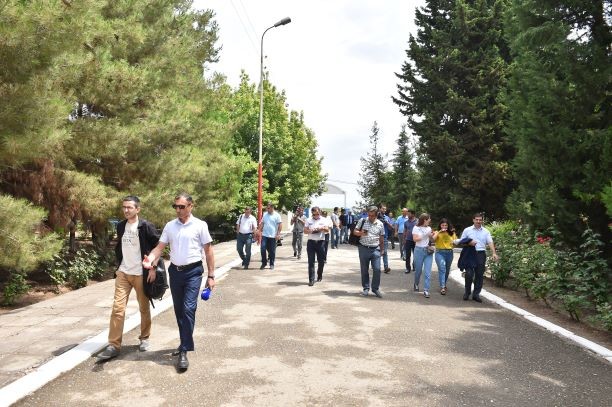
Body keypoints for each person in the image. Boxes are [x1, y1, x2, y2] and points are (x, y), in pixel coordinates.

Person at [142, 193, 215, 370]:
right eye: (175, 206)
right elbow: (160, 248)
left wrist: (211, 276)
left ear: (191, 206)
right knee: (179, 310)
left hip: (194, 272)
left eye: (182, 206)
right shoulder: (170, 226)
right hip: (175, 272)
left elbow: (208, 251)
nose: (178, 210)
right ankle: (184, 341)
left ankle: (184, 350)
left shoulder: (200, 225)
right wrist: (150, 259)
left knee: (189, 308)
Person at [98, 196, 160, 361]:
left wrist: (153, 267)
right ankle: (114, 345)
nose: (126, 210)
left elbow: (158, 246)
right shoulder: (120, 226)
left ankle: (145, 338)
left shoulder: (145, 226)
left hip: (141, 273)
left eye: (129, 207)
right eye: (124, 207)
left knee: (143, 308)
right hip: (123, 273)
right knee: (117, 308)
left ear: (137, 209)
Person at [454, 213, 498, 302]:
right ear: (473, 220)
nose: (478, 221)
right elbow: (462, 241)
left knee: (479, 275)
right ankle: (467, 292)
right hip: (469, 253)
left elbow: (490, 242)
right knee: (469, 274)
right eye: (476, 219)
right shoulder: (467, 230)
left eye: (480, 220)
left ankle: (476, 294)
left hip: (480, 254)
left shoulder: (486, 231)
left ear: (482, 221)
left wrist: (494, 253)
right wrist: (469, 243)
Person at [353, 206, 385, 298]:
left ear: (376, 215)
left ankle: (375, 289)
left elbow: (382, 238)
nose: (370, 217)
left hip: (376, 249)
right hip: (363, 248)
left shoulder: (380, 224)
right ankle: (366, 288)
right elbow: (355, 231)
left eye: (372, 216)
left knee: (377, 269)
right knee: (364, 269)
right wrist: (361, 233)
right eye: (369, 215)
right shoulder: (362, 221)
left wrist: (382, 250)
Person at [304, 206, 328, 286]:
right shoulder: (308, 220)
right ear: (312, 214)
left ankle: (319, 274)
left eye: (317, 214)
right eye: (314, 214)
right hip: (311, 243)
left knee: (321, 261)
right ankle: (311, 279)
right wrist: (310, 230)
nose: (316, 216)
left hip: (320, 242)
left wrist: (321, 228)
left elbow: (327, 230)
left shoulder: (324, 220)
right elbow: (305, 231)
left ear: (320, 213)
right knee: (311, 262)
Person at [432, 218, 457, 295]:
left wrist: (454, 242)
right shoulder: (437, 232)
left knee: (447, 269)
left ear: (448, 226)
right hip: (440, 252)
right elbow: (432, 240)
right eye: (442, 225)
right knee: (442, 268)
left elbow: (455, 243)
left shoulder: (452, 233)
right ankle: (442, 287)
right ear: (440, 225)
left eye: (446, 225)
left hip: (449, 253)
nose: (444, 226)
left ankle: (444, 284)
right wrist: (439, 231)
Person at [412, 213, 435, 298]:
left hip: (427, 251)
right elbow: (415, 239)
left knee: (427, 272)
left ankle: (426, 290)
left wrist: (432, 235)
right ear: (425, 219)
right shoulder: (416, 228)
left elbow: (431, 239)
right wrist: (424, 234)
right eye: (429, 219)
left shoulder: (429, 228)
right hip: (418, 251)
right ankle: (416, 283)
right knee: (418, 270)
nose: (430, 220)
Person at [258, 203, 282, 270]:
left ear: (272, 208)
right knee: (262, 249)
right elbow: (262, 223)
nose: (267, 209)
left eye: (268, 208)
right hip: (265, 235)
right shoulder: (265, 214)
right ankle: (264, 263)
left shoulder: (277, 215)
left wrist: (278, 234)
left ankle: (271, 264)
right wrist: (259, 230)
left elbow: (280, 224)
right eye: (267, 208)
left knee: (272, 251)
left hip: (273, 236)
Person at [379, 204, 393, 273]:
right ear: (379, 209)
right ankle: (376, 266)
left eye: (385, 209)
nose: (384, 210)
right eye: (383, 209)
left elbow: (391, 228)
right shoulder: (375, 216)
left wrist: (386, 222)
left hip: (384, 237)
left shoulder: (387, 217)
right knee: (376, 252)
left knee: (385, 252)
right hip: (375, 237)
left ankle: (386, 267)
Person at [403, 209, 417, 274]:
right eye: (407, 214)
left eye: (409, 214)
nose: (407, 215)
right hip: (408, 240)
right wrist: (404, 239)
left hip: (415, 241)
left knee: (416, 255)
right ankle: (408, 268)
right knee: (408, 255)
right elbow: (405, 231)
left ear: (413, 214)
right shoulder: (406, 222)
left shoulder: (418, 222)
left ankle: (415, 266)